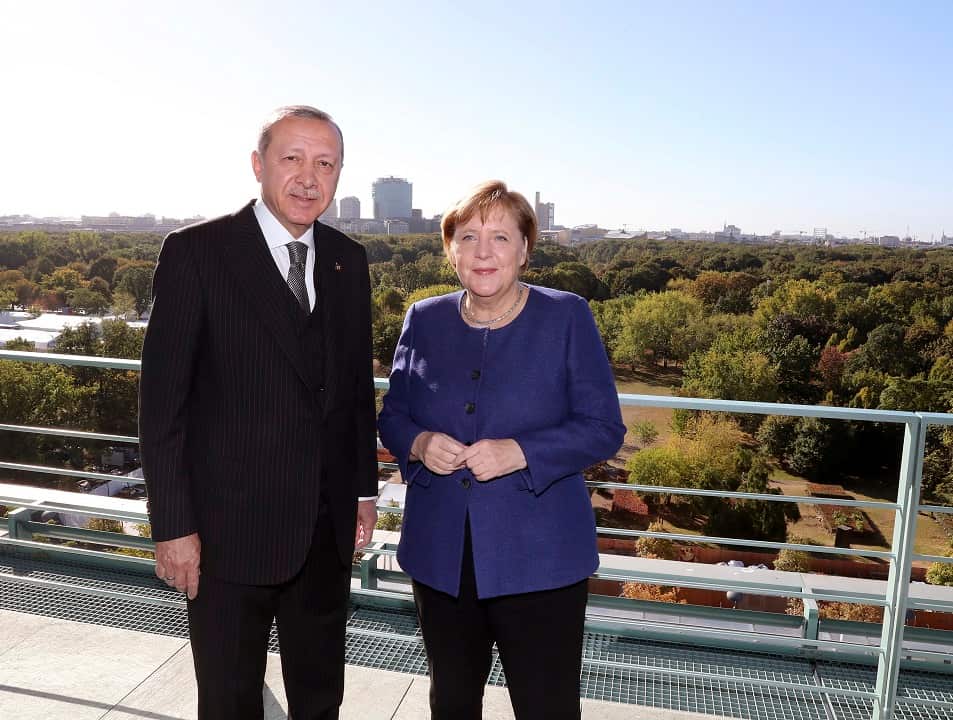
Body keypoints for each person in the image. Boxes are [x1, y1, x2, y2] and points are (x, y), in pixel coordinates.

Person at [139, 105, 379, 720]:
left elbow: (354, 395)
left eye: (324, 163)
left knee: (319, 696)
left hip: (324, 533)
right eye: (291, 158)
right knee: (228, 700)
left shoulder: (350, 263)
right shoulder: (197, 253)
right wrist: (172, 526)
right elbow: (162, 406)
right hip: (225, 536)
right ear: (258, 165)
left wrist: (363, 493)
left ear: (339, 175)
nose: (307, 177)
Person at [378, 180, 625, 719]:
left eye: (499, 237)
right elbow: (393, 415)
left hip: (541, 561)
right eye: (467, 237)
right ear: (450, 250)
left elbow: (604, 426)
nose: (483, 252)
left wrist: (522, 452)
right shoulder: (424, 319)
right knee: (452, 703)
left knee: (546, 707)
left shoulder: (567, 317)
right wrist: (418, 443)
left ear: (524, 249)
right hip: (442, 559)